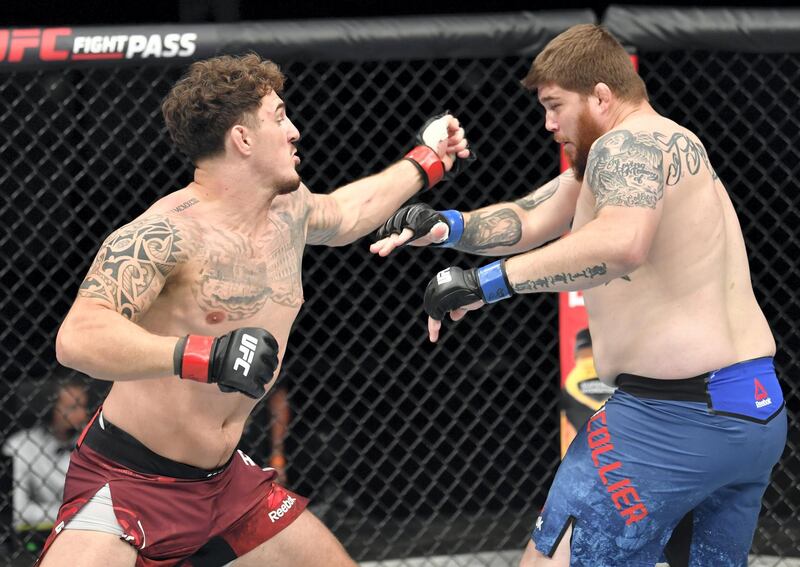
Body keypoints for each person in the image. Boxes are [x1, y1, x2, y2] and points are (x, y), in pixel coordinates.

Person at [371, 24, 787, 567]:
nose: (548, 123)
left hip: (673, 420)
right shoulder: (649, 146)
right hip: (751, 410)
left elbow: (620, 243)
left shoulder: (626, 145)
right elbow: (532, 216)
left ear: (600, 95)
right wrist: (446, 227)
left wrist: (485, 283)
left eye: (554, 105)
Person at [42, 53, 470, 567]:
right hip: (129, 483)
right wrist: (207, 355)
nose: (294, 132)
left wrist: (429, 159)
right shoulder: (164, 233)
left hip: (225, 485)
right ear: (242, 140)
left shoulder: (288, 212)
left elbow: (350, 210)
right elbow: (79, 338)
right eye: (279, 117)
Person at [2, 373, 89, 539]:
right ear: (49, 408)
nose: (82, 415)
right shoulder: (21, 445)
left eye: (83, 406)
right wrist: (78, 512)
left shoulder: (92, 445)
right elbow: (18, 511)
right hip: (38, 537)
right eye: (73, 407)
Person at [560, 328, 614, 458]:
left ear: (577, 353)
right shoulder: (620, 378)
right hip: (621, 456)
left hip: (580, 460)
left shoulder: (569, 384)